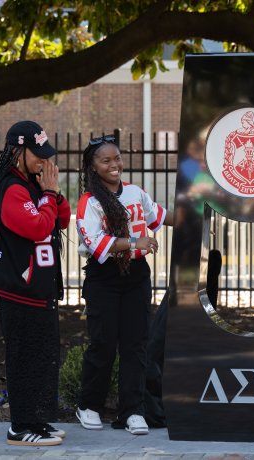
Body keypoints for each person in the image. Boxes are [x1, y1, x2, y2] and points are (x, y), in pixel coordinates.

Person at [75, 135, 173, 435]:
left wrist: (200, 209)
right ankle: (88, 405)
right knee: (103, 343)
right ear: (93, 167)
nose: (114, 164)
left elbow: (162, 217)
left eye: (116, 157)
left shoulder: (134, 193)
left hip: (136, 277)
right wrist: (134, 241)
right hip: (104, 278)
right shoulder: (88, 202)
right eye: (105, 160)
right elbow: (96, 243)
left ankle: (132, 411)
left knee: (135, 345)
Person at [0, 120, 71, 446]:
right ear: (18, 151)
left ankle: (37, 420)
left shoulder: (34, 186)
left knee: (43, 356)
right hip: (19, 291)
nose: (43, 162)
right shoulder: (11, 188)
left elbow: (60, 219)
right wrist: (48, 194)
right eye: (37, 155)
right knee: (23, 357)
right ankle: (20, 427)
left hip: (40, 291)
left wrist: (52, 193)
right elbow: (37, 227)